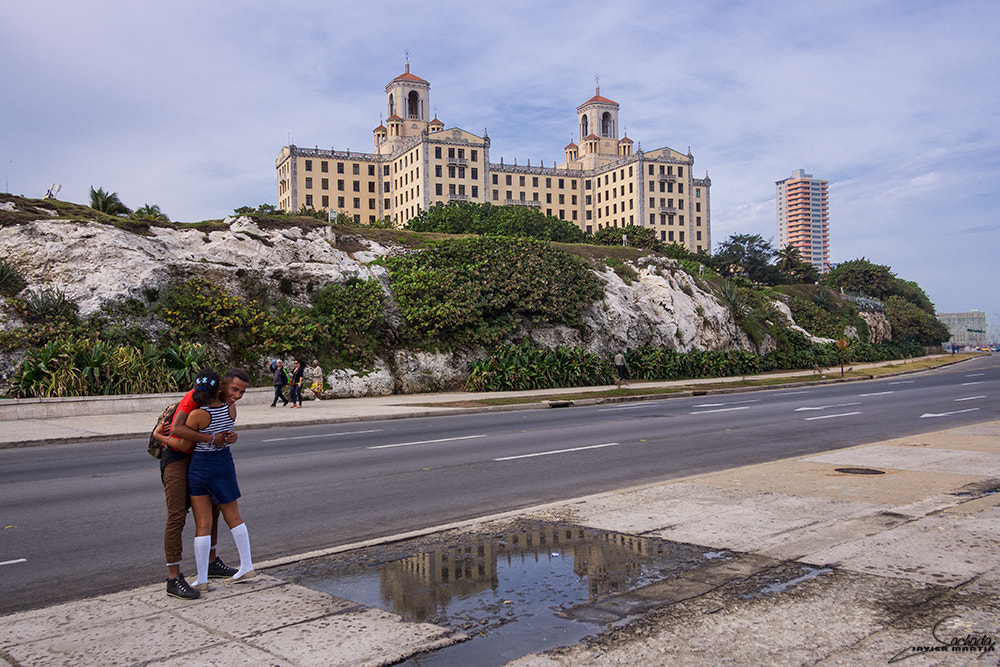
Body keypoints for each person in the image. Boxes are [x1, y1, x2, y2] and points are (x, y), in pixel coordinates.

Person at [153, 367, 249, 600]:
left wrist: (227, 437)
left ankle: (211, 563)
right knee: (177, 514)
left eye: (240, 391)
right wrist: (210, 438)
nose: (236, 395)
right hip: (177, 455)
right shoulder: (196, 398)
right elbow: (180, 437)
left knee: (212, 510)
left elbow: (221, 428)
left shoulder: (221, 402)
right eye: (234, 389)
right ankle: (173, 578)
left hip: (198, 456)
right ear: (223, 385)